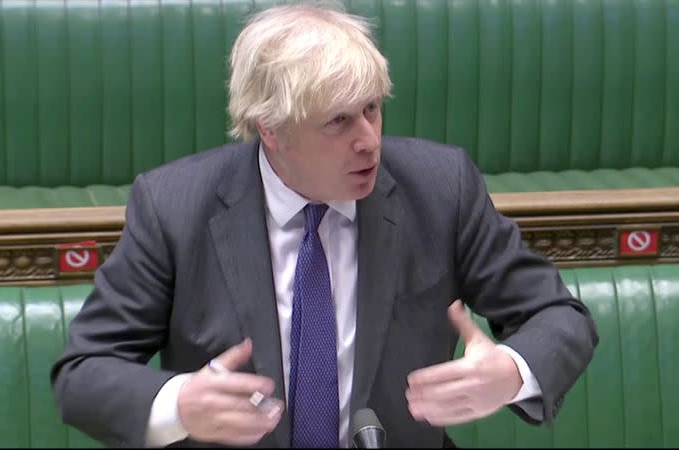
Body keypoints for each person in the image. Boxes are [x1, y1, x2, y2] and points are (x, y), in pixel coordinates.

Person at [50, 2, 599, 448]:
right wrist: (180, 404)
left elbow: (559, 316)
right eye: (338, 120)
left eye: (372, 109)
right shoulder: (175, 207)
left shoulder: (439, 187)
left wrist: (510, 370)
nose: (369, 140)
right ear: (270, 130)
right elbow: (83, 372)